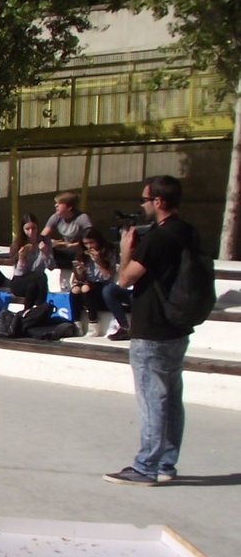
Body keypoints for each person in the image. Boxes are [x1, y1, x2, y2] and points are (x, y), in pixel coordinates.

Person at [104, 175, 200, 486]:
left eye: (145, 200)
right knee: (171, 398)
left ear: (158, 202)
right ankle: (167, 463)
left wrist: (125, 250)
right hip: (177, 326)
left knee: (152, 400)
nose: (142, 205)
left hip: (152, 329)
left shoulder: (158, 238)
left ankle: (146, 465)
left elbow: (125, 279)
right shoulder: (189, 232)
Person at [73, 227, 130, 339]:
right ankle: (76, 323)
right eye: (86, 243)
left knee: (86, 288)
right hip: (89, 283)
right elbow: (80, 278)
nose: (89, 246)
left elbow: (108, 276)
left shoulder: (108, 251)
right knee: (75, 290)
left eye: (91, 242)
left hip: (103, 285)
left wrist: (99, 261)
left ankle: (93, 324)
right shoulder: (83, 254)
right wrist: (80, 272)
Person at [8, 213, 56, 307]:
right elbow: (19, 274)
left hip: (35, 283)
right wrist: (21, 258)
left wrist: (46, 252)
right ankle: (41, 308)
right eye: (27, 229)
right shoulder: (18, 244)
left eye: (33, 228)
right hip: (20, 281)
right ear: (23, 229)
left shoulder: (45, 241)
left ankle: (28, 312)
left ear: (37, 227)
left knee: (34, 284)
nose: (31, 232)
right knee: (41, 277)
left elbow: (51, 267)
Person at [42, 191, 94, 269]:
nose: (56, 205)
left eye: (59, 203)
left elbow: (92, 239)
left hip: (79, 250)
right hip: (64, 249)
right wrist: (51, 242)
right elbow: (42, 236)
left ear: (69, 207)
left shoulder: (82, 218)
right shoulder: (56, 217)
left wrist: (71, 245)